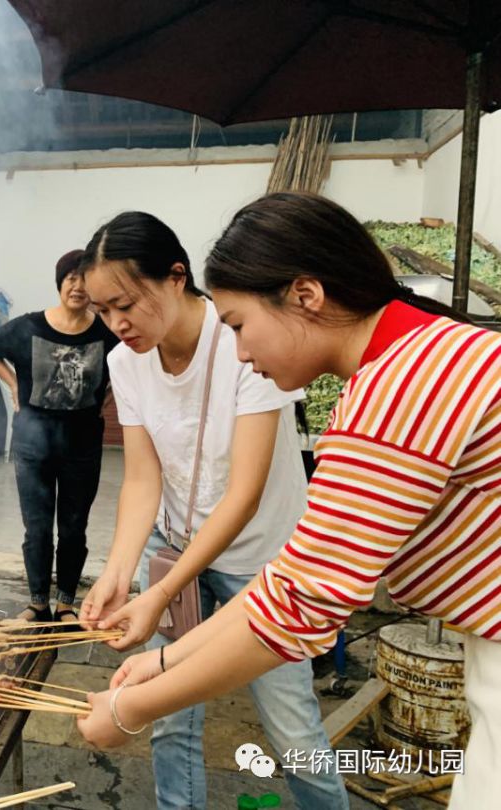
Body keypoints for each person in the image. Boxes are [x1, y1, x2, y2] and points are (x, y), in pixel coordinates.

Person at [76, 193, 501, 809]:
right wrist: (166, 663)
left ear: (305, 296)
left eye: (242, 326)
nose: (242, 352)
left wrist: (131, 705)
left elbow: (297, 605)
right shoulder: (418, 357)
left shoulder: (399, 391)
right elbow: (298, 576)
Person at [76, 211, 347, 809]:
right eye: (102, 312)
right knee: (170, 715)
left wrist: (163, 589)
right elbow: (143, 480)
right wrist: (120, 574)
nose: (116, 324)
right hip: (175, 548)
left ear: (176, 277)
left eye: (125, 303)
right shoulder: (127, 360)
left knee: (293, 726)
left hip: (261, 563)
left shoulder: (248, 340)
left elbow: (243, 495)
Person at [0, 250, 118, 622]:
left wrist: (108, 395)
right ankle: (38, 601)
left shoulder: (106, 332)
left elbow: (131, 363)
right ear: (60, 283)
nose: (77, 285)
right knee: (36, 527)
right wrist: (12, 384)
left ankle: (67, 603)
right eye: (70, 277)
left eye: (84, 279)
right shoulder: (29, 327)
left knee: (73, 529)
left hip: (83, 446)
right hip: (32, 447)